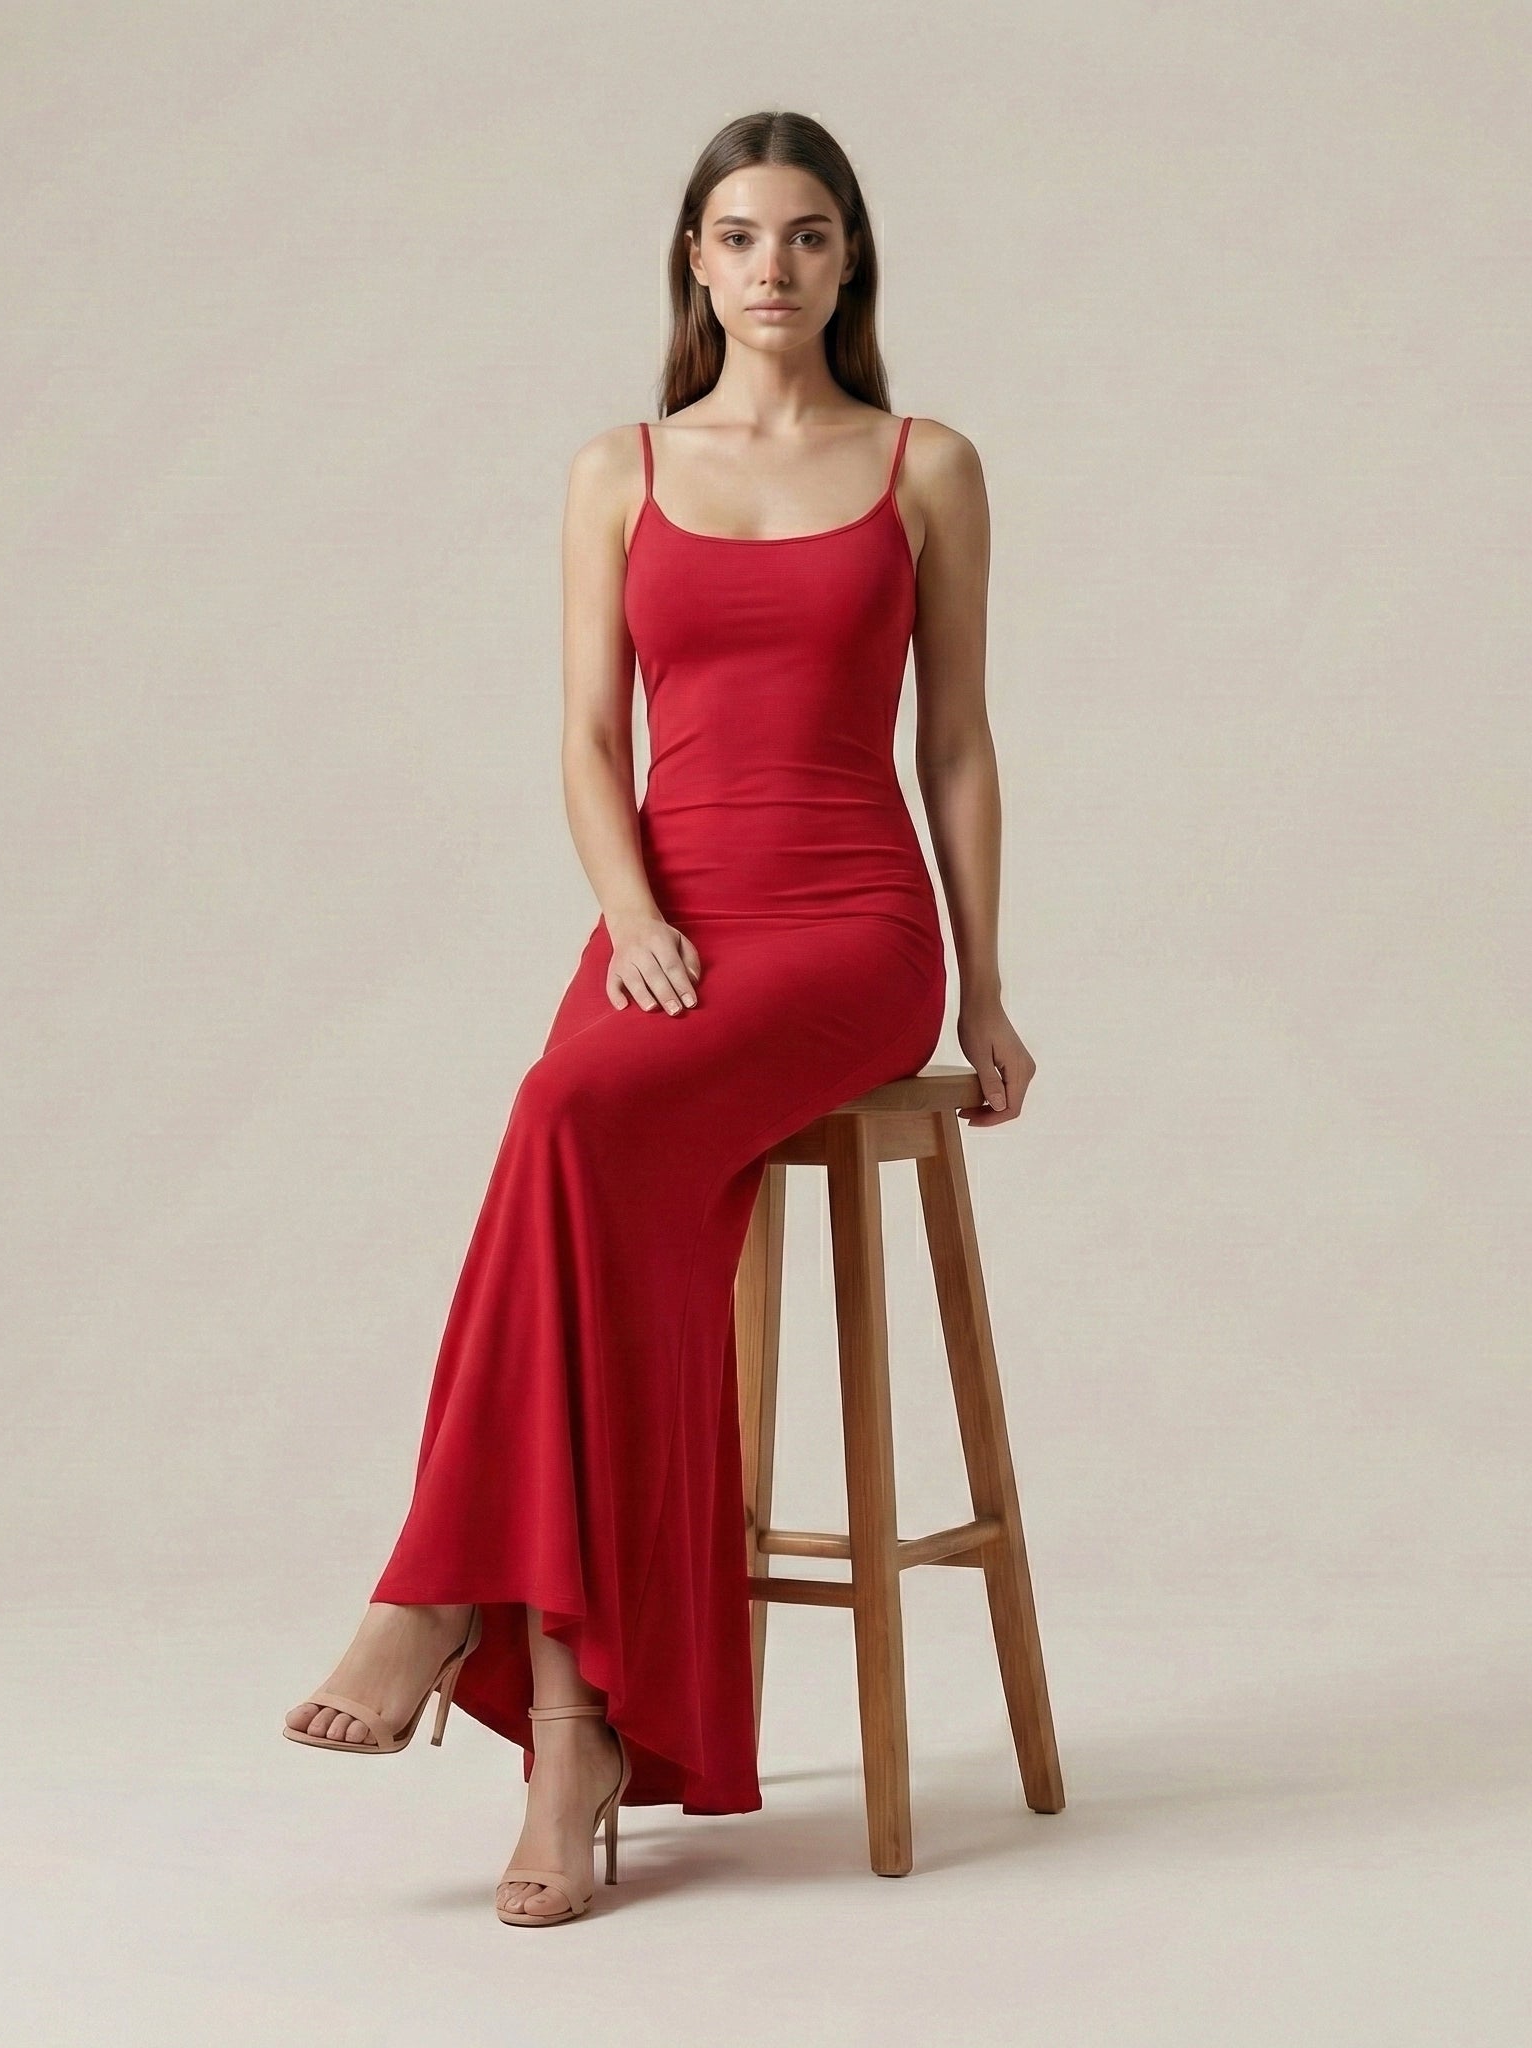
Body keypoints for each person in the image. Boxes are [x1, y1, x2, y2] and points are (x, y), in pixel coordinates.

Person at [282, 108, 1035, 1926]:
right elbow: (585, 736)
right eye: (737, 236)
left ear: (850, 262)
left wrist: (991, 989)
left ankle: (457, 1608)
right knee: (581, 1140)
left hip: (850, 931)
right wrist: (628, 915)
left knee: (568, 1124)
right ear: (692, 266)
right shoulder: (618, 468)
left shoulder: (924, 463)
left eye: (806, 236)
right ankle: (570, 1726)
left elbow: (956, 745)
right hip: (668, 923)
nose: (771, 266)